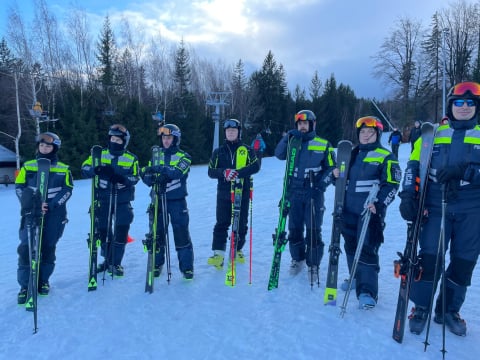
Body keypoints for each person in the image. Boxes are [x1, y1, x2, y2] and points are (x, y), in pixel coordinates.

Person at [399, 81, 480, 337]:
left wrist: (467, 171)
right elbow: (414, 165)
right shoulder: (432, 133)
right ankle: (421, 307)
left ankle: (447, 309)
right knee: (430, 256)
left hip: (472, 208)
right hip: (435, 204)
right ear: (450, 105)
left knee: (463, 261)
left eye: (470, 103)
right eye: (459, 102)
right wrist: (408, 195)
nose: (464, 107)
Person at [334, 116, 401, 309]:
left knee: (367, 249)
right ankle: (355, 276)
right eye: (362, 132)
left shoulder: (385, 156)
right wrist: (334, 174)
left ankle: (367, 291)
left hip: (369, 212)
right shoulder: (351, 154)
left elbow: (392, 184)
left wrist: (379, 204)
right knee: (350, 246)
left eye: (369, 132)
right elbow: (339, 180)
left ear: (377, 134)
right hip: (347, 210)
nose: (365, 135)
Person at [274, 110, 335, 282]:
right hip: (293, 191)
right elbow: (279, 154)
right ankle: (298, 259)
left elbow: (332, 169)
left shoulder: (323, 144)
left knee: (313, 230)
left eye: (305, 123)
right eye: (299, 124)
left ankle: (313, 263)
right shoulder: (293, 142)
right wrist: (287, 138)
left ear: (312, 125)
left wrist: (321, 186)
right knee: (294, 228)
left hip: (313, 192)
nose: (302, 126)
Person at [15, 132, 73, 303]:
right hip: (31, 212)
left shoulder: (63, 168)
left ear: (54, 148)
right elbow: (19, 187)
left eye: (48, 146)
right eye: (41, 145)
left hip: (54, 214)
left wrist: (53, 204)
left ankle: (43, 280)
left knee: (47, 247)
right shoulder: (28, 166)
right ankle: (25, 285)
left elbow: (68, 189)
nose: (44, 148)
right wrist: (33, 204)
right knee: (27, 247)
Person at [81, 124, 139, 277]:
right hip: (103, 198)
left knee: (121, 230)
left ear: (124, 142)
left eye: (118, 140)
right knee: (104, 231)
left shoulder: (131, 158)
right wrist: (97, 169)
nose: (114, 142)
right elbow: (85, 168)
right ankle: (107, 260)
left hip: (122, 200)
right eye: (112, 138)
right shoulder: (99, 154)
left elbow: (135, 177)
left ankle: (116, 263)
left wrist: (123, 179)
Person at [140, 124, 195, 280]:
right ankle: (157, 264)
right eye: (164, 137)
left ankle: (187, 268)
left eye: (169, 138)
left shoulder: (184, 156)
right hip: (158, 199)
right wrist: (148, 176)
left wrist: (161, 170)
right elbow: (147, 174)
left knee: (181, 233)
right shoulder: (156, 155)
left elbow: (177, 172)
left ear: (175, 139)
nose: (166, 140)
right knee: (157, 234)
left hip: (177, 201)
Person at [207, 119, 260, 268]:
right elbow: (211, 172)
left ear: (238, 132)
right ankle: (218, 253)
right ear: (225, 133)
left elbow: (256, 167)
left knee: (241, 223)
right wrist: (224, 172)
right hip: (223, 193)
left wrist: (238, 173)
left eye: (234, 130)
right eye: (228, 130)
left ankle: (237, 249)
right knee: (222, 223)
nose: (231, 132)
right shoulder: (218, 152)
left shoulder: (247, 149)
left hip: (241, 192)